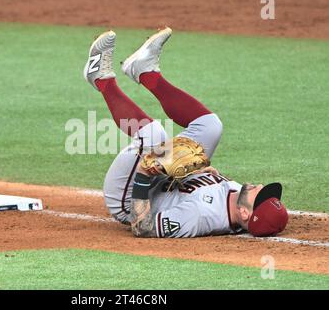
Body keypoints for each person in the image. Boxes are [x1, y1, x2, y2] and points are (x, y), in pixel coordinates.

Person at [83, 27, 288, 238]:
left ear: (245, 213)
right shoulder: (236, 193)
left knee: (154, 137)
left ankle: (100, 78)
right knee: (211, 126)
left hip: (129, 196)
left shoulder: (200, 217)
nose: (260, 186)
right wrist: (197, 171)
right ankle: (145, 72)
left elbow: (143, 228)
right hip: (164, 178)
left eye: (259, 195)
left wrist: (144, 176)